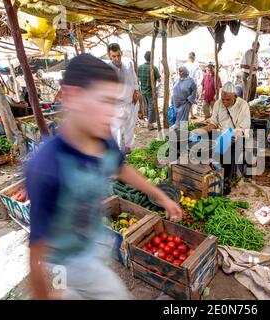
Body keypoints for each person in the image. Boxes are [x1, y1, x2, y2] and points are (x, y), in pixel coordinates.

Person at [25, 54, 182, 300]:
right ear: (72, 96)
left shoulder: (103, 140)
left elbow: (121, 168)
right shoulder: (47, 166)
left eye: (115, 103)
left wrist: (160, 195)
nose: (115, 114)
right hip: (65, 264)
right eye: (105, 102)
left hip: (95, 243)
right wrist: (48, 293)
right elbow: (38, 250)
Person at [192, 82, 251, 195]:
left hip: (237, 134)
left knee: (232, 149)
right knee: (201, 141)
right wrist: (199, 131)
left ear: (235, 97)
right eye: (223, 99)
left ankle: (227, 181)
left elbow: (244, 129)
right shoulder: (218, 103)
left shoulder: (243, 105)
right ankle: (205, 173)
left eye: (228, 100)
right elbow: (213, 124)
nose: (225, 102)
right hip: (220, 133)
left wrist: (233, 134)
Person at [107, 43, 140, 154]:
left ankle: (128, 148)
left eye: (118, 55)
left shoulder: (128, 63)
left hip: (130, 101)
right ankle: (117, 151)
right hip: (116, 105)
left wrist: (136, 91)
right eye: (114, 56)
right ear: (109, 56)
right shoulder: (107, 68)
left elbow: (134, 78)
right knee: (116, 129)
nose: (117, 58)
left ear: (121, 53)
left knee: (129, 127)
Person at [138, 51, 161, 131]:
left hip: (143, 91)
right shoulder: (153, 68)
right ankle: (150, 124)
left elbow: (138, 78)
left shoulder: (140, 67)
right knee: (151, 107)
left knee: (147, 107)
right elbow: (159, 79)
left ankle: (149, 122)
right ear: (151, 58)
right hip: (151, 91)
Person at [185, 52, 203, 120]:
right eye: (190, 57)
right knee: (187, 101)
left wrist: (198, 83)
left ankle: (191, 114)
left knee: (191, 100)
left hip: (193, 86)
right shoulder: (186, 65)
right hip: (186, 85)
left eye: (192, 57)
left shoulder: (196, 66)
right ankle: (188, 115)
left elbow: (200, 76)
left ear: (194, 58)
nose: (191, 59)